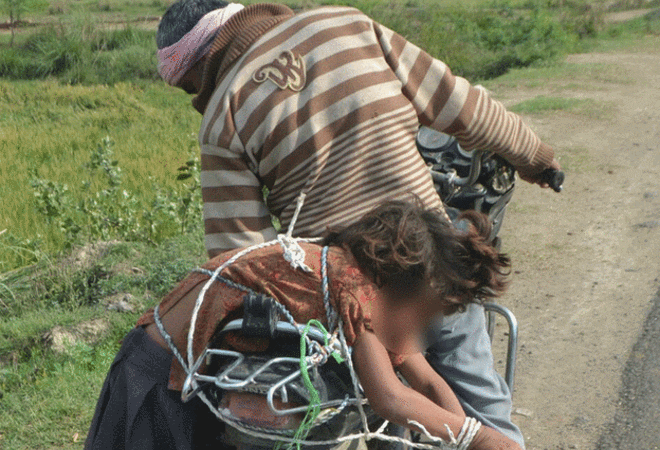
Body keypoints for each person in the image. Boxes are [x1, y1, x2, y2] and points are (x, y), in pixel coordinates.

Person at [155, 1, 562, 447]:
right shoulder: (346, 24)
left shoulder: (223, 114)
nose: (196, 97)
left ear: (198, 62)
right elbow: (459, 105)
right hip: (432, 262)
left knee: (388, 424)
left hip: (351, 299)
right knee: (480, 399)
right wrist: (536, 158)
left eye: (189, 86)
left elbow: (244, 254)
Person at [85, 199, 519, 450]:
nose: (421, 326)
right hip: (156, 377)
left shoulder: (361, 288)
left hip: (187, 381)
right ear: (398, 283)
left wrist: (465, 436)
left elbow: (423, 382)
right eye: (424, 313)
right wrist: (478, 438)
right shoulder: (351, 285)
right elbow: (389, 398)